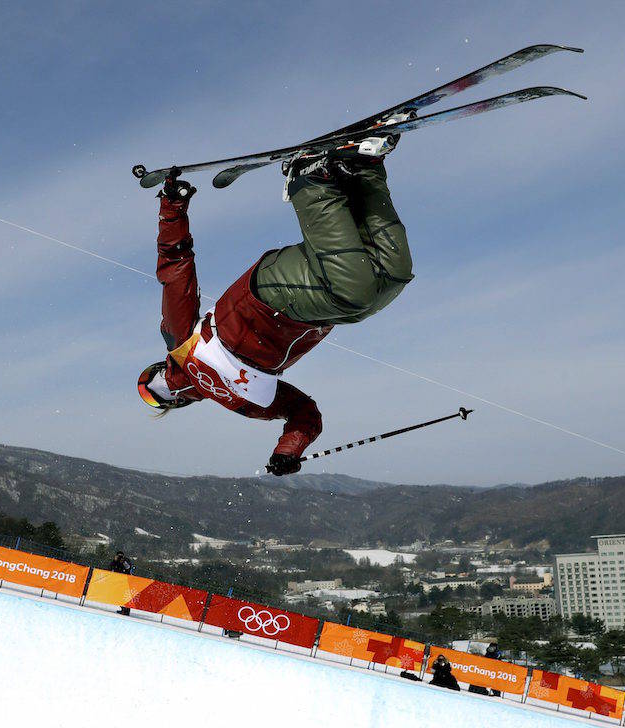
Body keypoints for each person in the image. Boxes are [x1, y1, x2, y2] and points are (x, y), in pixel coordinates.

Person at [136, 140, 413, 475]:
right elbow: (302, 411)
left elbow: (176, 268)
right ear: (175, 403)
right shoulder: (243, 405)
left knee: (355, 292)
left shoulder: (181, 345)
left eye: (153, 384)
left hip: (267, 296)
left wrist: (172, 208)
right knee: (389, 280)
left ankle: (306, 179)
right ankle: (362, 172)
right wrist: (287, 450)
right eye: (155, 395)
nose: (160, 388)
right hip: (310, 317)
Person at [106, 550, 135, 616]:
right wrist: (115, 560)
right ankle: (123, 609)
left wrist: (123, 562)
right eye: (118, 556)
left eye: (121, 556)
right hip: (117, 580)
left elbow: (128, 568)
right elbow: (110, 568)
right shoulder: (114, 561)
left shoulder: (126, 561)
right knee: (118, 595)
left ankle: (126, 611)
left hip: (125, 581)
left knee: (124, 596)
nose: (119, 557)